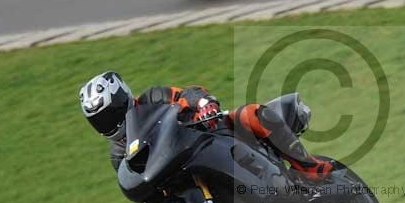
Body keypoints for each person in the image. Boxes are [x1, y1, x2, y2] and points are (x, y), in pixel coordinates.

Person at [78, 72, 333, 180]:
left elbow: (187, 94)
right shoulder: (117, 155)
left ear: (123, 98)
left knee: (251, 113)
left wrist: (203, 104)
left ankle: (311, 169)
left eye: (110, 113)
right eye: (100, 119)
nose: (110, 122)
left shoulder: (152, 98)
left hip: (210, 134)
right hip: (180, 172)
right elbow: (137, 181)